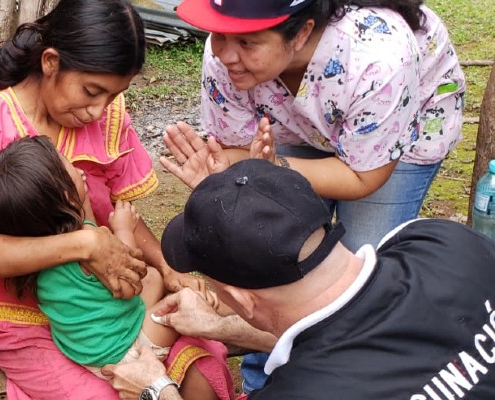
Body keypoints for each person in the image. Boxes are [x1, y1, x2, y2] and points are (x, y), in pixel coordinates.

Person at [0, 0, 234, 398]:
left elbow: (124, 215)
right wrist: (84, 243)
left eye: (113, 95)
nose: (99, 109)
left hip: (114, 307)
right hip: (25, 324)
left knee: (204, 357)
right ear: (51, 62)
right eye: (91, 91)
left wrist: (168, 270)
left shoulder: (108, 120)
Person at [160, 0, 466, 390]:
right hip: (293, 128)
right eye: (219, 35)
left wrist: (271, 170)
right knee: (264, 249)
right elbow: (237, 149)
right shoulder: (227, 52)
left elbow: (361, 176)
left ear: (302, 32)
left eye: (247, 43)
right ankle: (269, 377)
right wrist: (240, 172)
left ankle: (366, 379)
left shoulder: (378, 57)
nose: (224, 53)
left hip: (391, 134)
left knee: (360, 270)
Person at [102, 158, 495, 399]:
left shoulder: (299, 391)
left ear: (243, 298)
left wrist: (157, 391)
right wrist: (220, 326)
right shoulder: (436, 239)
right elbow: (359, 335)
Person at [0, 135, 216, 384]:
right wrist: (124, 229)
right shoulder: (85, 250)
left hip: (89, 352)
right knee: (183, 306)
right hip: (123, 351)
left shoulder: (46, 250)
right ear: (66, 196)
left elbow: (85, 216)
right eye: (70, 167)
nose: (80, 170)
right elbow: (128, 286)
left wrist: (79, 195)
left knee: (155, 277)